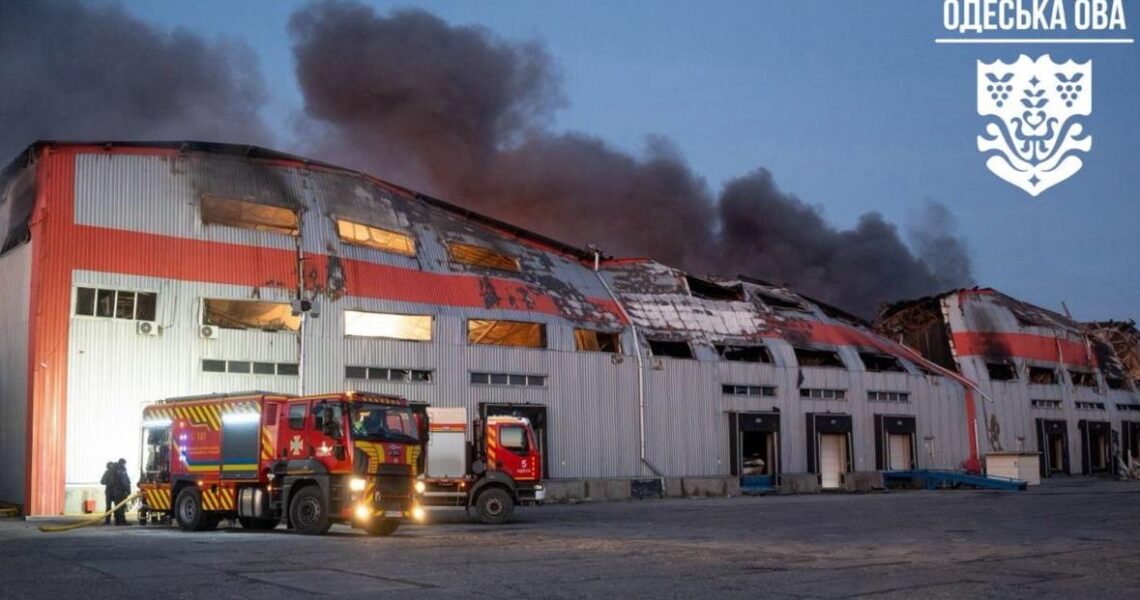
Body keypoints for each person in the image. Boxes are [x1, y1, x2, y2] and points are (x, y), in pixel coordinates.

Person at [112, 458, 131, 526]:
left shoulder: (115, 469)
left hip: (115, 490)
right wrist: (127, 490)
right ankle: (122, 522)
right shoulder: (121, 469)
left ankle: (117, 521)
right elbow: (124, 481)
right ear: (123, 463)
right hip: (121, 491)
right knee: (121, 506)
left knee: (117, 506)